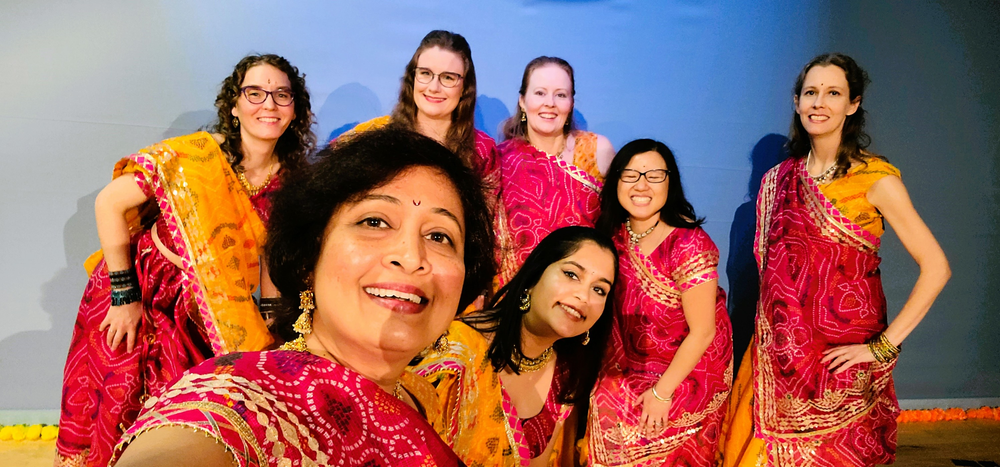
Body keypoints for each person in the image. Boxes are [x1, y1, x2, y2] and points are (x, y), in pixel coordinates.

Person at [111, 127, 496, 466]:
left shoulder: (421, 398)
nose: (412, 257)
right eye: (374, 221)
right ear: (308, 260)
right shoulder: (243, 400)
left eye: (440, 236)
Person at [55, 53, 315, 467]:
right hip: (142, 291)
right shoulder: (195, 156)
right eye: (255, 93)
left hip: (208, 310)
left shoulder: (294, 183)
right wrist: (125, 297)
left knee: (190, 422)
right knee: (117, 407)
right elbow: (108, 204)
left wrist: (270, 323)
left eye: (282, 95)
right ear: (234, 105)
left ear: (295, 109)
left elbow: (270, 257)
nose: (269, 104)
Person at [720, 53, 951, 466]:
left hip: (842, 364)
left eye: (833, 93)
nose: (819, 103)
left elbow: (937, 268)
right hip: (775, 365)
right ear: (796, 102)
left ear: (853, 104)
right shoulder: (777, 181)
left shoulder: (876, 180)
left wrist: (882, 348)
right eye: (811, 92)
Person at [415, 226, 618, 466]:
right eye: (572, 274)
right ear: (534, 277)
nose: (584, 297)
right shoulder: (455, 350)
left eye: (599, 289)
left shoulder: (565, 376)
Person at [588, 139, 733, 466]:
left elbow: (703, 332)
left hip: (682, 377)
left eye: (654, 175)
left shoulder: (688, 244)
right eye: (631, 175)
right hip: (625, 367)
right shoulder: (615, 233)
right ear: (616, 183)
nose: (641, 185)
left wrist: (661, 394)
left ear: (671, 183)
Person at [495, 57, 615, 285]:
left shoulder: (597, 151)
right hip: (512, 294)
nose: (550, 103)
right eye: (540, 93)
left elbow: (617, 229)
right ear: (522, 100)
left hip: (579, 294)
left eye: (560, 95)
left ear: (570, 103)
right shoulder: (500, 159)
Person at [342, 30, 497, 182]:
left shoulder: (482, 150)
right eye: (425, 73)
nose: (434, 87)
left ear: (465, 87)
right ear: (412, 77)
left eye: (448, 78)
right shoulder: (374, 134)